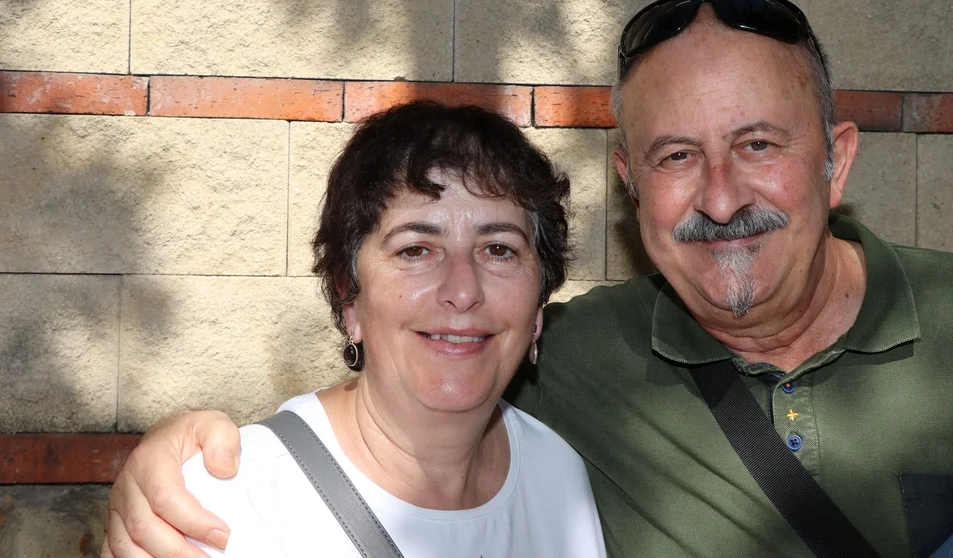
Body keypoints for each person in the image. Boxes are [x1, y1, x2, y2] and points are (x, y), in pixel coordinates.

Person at [104, 0, 953, 558]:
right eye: (676, 156)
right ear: (630, 186)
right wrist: (162, 474)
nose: (722, 196)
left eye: (758, 144)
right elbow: (408, 390)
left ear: (836, 161)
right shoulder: (574, 360)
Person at [117, 101, 606, 557]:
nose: (463, 290)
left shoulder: (556, 475)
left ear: (539, 303)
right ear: (349, 296)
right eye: (415, 250)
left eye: (499, 249)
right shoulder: (225, 502)